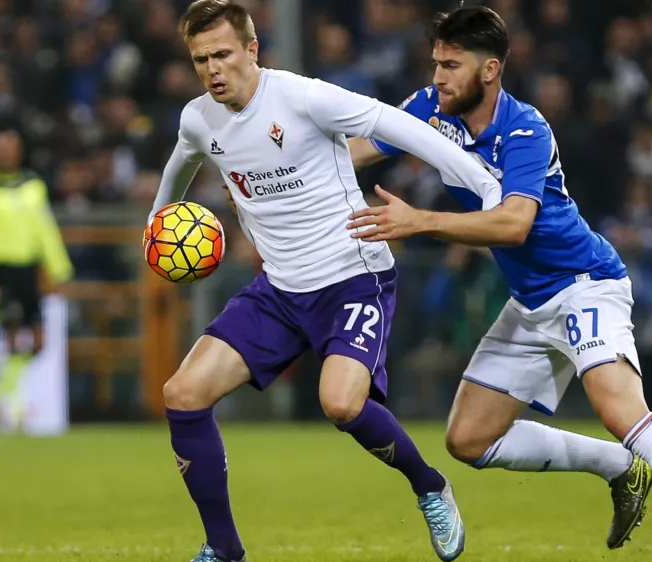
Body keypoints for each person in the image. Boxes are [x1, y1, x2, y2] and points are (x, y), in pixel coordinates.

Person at [347, 6, 652, 562]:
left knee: (621, 410)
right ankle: (621, 467)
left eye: (451, 65)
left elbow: (513, 223)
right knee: (468, 440)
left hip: (584, 284)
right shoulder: (432, 107)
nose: (438, 77)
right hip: (529, 303)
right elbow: (362, 147)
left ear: (490, 69)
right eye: (435, 63)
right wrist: (271, 173)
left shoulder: (525, 129)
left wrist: (421, 221)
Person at [152, 1, 506, 561]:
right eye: (200, 60)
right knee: (183, 394)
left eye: (222, 54)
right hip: (279, 290)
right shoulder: (199, 117)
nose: (212, 69)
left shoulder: (303, 98)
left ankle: (430, 486)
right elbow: (181, 162)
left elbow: (406, 129)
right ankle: (224, 550)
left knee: (341, 405)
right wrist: (158, 218)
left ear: (252, 50)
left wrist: (486, 185)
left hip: (352, 278)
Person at [0, 128, 73, 431]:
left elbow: (44, 226)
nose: (8, 153)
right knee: (12, 339)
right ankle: (15, 410)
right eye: (1, 147)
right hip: (0, 272)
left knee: (37, 342)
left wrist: (58, 267)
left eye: (12, 147)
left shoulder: (32, 186)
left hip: (29, 271)